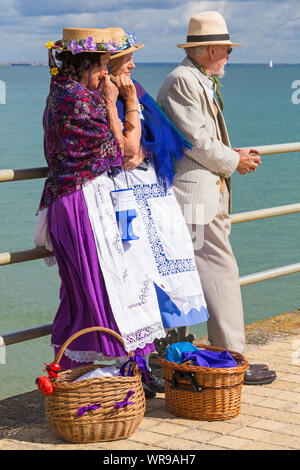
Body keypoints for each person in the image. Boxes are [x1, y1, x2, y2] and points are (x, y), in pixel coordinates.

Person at [34, 27, 167, 397]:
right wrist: (119, 103)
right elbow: (124, 153)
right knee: (102, 287)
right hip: (81, 203)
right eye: (105, 63)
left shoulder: (61, 93)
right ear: (89, 64)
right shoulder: (80, 101)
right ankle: (107, 380)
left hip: (69, 202)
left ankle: (93, 376)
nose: (107, 73)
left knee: (85, 292)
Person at [157, 11, 276, 385]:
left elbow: (201, 139)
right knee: (219, 272)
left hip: (203, 194)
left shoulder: (194, 78)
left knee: (213, 273)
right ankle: (231, 359)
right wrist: (234, 160)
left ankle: (225, 357)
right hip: (195, 197)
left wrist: (230, 155)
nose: (228, 57)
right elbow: (196, 140)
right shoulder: (183, 81)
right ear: (211, 50)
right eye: (226, 50)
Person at [106, 28, 209, 393]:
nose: (132, 64)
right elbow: (127, 152)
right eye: (126, 59)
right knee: (134, 281)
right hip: (127, 201)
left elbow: (166, 139)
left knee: (168, 280)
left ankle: (162, 360)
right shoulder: (108, 98)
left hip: (155, 197)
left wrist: (142, 140)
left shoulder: (137, 93)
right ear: (110, 62)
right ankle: (137, 367)